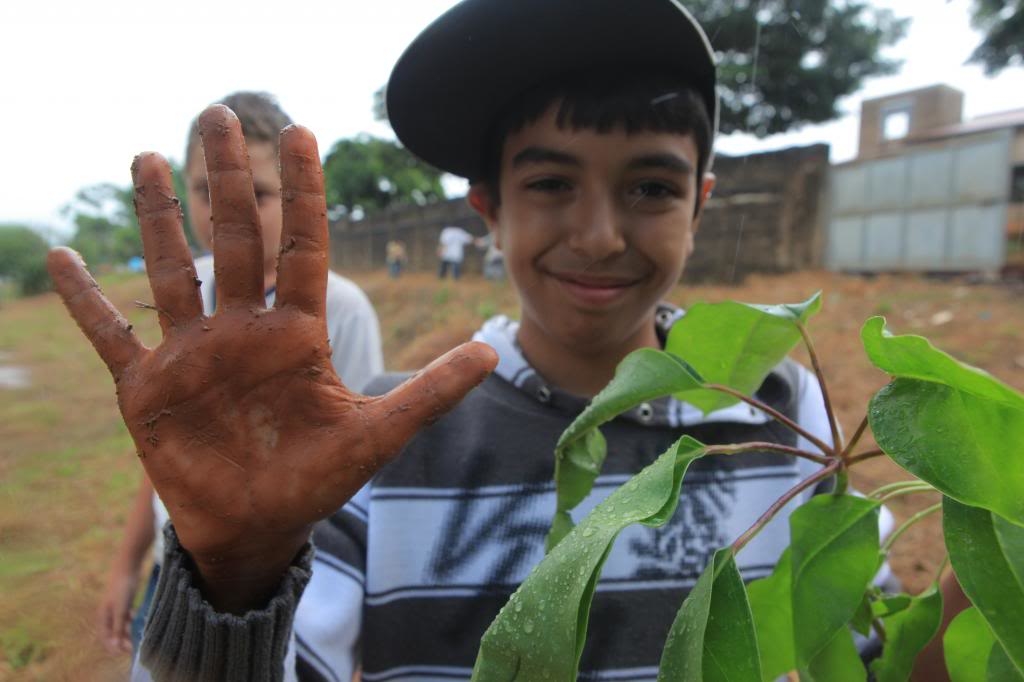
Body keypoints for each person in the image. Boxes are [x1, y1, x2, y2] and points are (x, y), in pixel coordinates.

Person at [48, 1, 964, 680]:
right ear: (487, 207)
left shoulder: (785, 410)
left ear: (700, 206)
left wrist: (984, 559)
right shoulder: (385, 448)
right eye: (551, 184)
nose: (601, 234)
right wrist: (236, 575)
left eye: (651, 187)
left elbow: (873, 655)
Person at [94, 91, 384, 659]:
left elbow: (361, 468)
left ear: (296, 196)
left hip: (293, 577)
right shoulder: (181, 296)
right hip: (179, 562)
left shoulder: (339, 308)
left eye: (260, 193)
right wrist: (127, 564)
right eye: (206, 190)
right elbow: (165, 447)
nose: (230, 208)